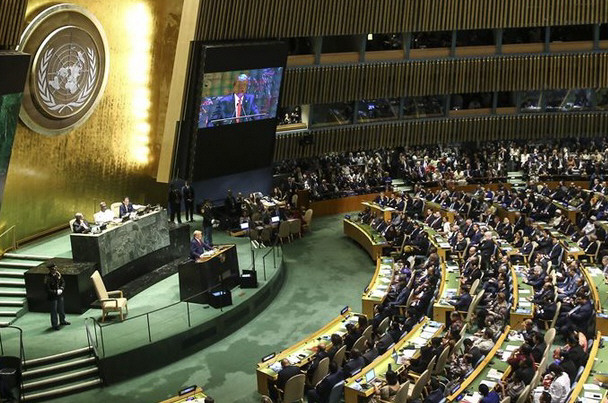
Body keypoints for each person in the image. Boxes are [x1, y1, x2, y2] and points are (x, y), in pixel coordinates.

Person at [44, 263, 70, 330]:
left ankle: (62, 320)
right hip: (52, 297)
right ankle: (54, 325)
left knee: (61, 309)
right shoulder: (47, 278)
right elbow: (47, 289)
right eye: (53, 269)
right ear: (50, 270)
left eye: (55, 268)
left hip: (59, 295)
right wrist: (55, 292)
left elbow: (63, 282)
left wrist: (61, 288)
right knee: (54, 311)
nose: (54, 270)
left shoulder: (58, 275)